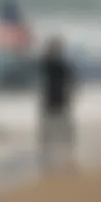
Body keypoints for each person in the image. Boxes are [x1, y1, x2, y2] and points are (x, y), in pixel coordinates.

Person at [38, 36, 77, 173]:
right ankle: (68, 157)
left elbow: (71, 84)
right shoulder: (62, 66)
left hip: (51, 101)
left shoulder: (48, 65)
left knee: (49, 131)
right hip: (59, 101)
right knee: (63, 130)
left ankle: (47, 159)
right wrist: (70, 98)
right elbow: (72, 84)